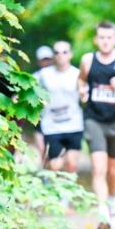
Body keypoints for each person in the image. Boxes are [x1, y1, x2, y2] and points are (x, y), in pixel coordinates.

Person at [78, 21, 115, 229]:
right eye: (101, 37)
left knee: (113, 170)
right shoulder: (88, 60)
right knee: (99, 169)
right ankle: (102, 213)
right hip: (94, 120)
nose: (105, 41)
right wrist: (82, 92)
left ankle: (113, 204)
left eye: (109, 37)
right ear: (96, 39)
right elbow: (81, 81)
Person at [35, 40, 86, 174]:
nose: (60, 55)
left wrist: (84, 96)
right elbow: (30, 89)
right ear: (53, 55)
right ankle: (58, 192)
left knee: (72, 164)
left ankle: (68, 192)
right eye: (56, 52)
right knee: (55, 165)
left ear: (70, 54)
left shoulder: (77, 74)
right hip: (52, 126)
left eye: (64, 52)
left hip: (74, 124)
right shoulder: (43, 74)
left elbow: (86, 94)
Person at [33, 45, 54, 161]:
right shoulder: (34, 78)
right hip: (40, 117)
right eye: (43, 59)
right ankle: (45, 174)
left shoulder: (58, 75)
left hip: (55, 117)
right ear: (39, 61)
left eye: (48, 59)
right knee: (42, 148)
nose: (46, 62)